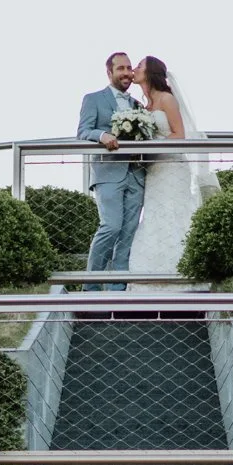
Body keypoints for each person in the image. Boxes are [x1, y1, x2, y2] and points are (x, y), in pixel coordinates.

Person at [128, 56, 218, 275]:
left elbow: (179, 134)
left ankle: (182, 271)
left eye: (139, 66)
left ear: (150, 73)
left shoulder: (167, 99)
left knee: (173, 214)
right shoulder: (142, 106)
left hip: (172, 168)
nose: (134, 69)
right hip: (153, 171)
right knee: (154, 217)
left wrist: (151, 147)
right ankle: (148, 274)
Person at [77, 52, 147, 290]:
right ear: (109, 73)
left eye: (129, 68)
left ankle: (118, 291)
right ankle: (91, 287)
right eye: (121, 68)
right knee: (111, 226)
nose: (126, 73)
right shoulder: (93, 99)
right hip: (108, 173)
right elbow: (83, 131)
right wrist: (102, 135)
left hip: (136, 175)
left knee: (128, 233)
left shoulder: (138, 105)